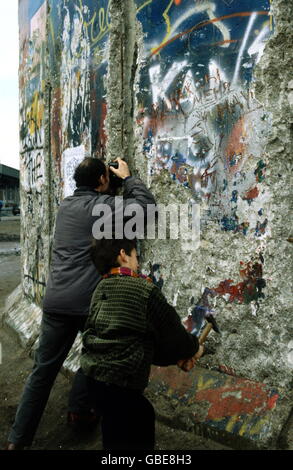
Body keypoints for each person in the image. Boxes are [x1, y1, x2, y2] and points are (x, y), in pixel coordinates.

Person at [6, 157, 156, 450]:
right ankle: (80, 411)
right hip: (88, 304)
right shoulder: (101, 208)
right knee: (96, 359)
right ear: (102, 180)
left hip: (56, 301)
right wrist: (127, 179)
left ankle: (17, 441)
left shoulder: (65, 206)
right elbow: (145, 208)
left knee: (42, 373)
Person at [81, 237, 204, 450]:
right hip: (121, 384)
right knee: (139, 425)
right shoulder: (143, 290)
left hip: (93, 381)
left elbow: (141, 342)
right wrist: (194, 349)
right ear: (123, 255)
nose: (138, 263)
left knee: (114, 432)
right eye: (136, 257)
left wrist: (176, 358)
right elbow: (173, 335)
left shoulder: (100, 289)